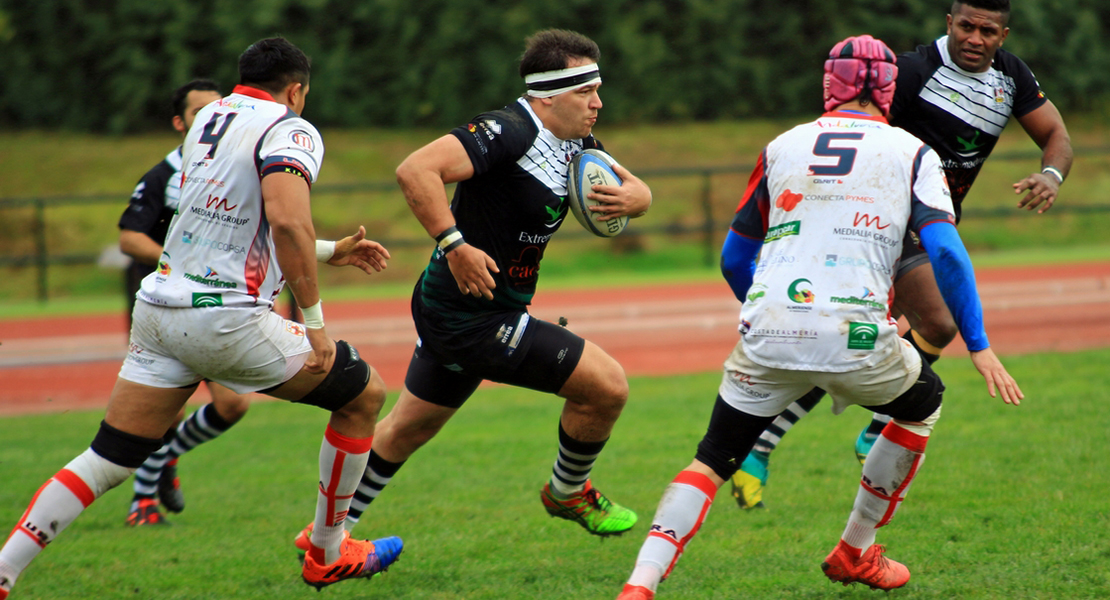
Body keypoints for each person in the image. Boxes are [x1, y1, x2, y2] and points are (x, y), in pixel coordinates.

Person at [616, 35, 1023, 599]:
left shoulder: (781, 145)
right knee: (921, 406)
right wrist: (979, 345)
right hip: (858, 335)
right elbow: (948, 253)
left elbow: (735, 257)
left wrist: (776, 317)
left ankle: (638, 587)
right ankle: (855, 550)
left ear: (828, 83)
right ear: (889, 89)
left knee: (710, 459)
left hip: (768, 330)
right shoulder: (913, 152)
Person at [0, 37, 402, 598]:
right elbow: (286, 223)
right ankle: (328, 553)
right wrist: (314, 323)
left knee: (108, 458)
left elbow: (231, 223)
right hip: (224, 317)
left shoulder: (209, 117)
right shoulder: (291, 128)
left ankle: (4, 569)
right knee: (363, 397)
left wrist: (331, 250)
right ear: (296, 89)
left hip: (159, 310)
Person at [289, 28, 653, 552]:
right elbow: (416, 169)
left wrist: (636, 198)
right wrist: (454, 244)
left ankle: (326, 534)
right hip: (472, 316)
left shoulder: (576, 143)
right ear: (548, 93)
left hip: (467, 307)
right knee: (607, 387)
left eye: (598, 89)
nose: (598, 103)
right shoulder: (507, 130)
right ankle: (568, 492)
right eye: (585, 91)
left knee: (407, 429)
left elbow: (633, 188)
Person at [730, 0, 1072, 510]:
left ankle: (794, 441)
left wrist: (1051, 175)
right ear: (948, 23)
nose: (975, 38)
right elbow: (848, 134)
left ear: (1004, 34)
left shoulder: (1013, 76)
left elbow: (1056, 136)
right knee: (898, 326)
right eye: (966, 26)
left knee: (895, 332)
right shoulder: (912, 72)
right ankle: (805, 440)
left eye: (988, 30)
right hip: (878, 224)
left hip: (931, 225)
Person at [117, 78, 253, 527]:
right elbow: (129, 236)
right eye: (199, 112)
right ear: (180, 122)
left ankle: (164, 462)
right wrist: (177, 261)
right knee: (165, 406)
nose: (213, 118)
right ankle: (142, 504)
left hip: (212, 300)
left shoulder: (232, 170)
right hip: (160, 300)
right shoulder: (165, 175)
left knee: (234, 405)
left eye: (219, 109)